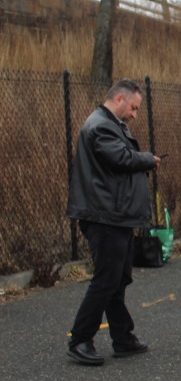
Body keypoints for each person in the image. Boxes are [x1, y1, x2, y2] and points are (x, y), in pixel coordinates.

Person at [65, 79, 160, 366]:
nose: (134, 114)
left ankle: (122, 337)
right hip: (105, 216)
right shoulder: (101, 126)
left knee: (117, 279)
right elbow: (120, 158)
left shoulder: (110, 124)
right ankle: (80, 339)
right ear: (119, 98)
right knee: (107, 280)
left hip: (113, 214)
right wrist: (147, 159)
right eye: (133, 107)